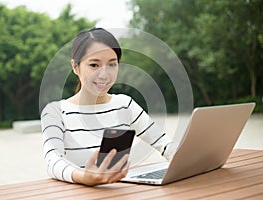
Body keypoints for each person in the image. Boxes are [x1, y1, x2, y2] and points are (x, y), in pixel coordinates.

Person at [40, 27, 173, 186]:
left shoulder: (125, 105)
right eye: (94, 65)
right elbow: (53, 162)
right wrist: (84, 177)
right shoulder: (55, 112)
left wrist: (189, 158)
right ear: (75, 67)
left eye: (112, 64)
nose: (104, 75)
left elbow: (165, 143)